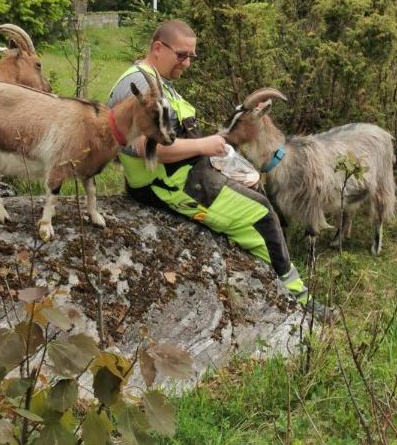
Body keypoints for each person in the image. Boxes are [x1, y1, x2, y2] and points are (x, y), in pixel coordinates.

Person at [108, 19, 333, 321]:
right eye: (182, 55)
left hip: (189, 174)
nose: (187, 63)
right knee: (262, 216)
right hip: (168, 187)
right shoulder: (134, 85)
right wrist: (204, 147)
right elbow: (142, 149)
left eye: (192, 57)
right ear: (158, 48)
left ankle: (271, 277)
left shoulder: (158, 82)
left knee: (257, 190)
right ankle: (299, 300)